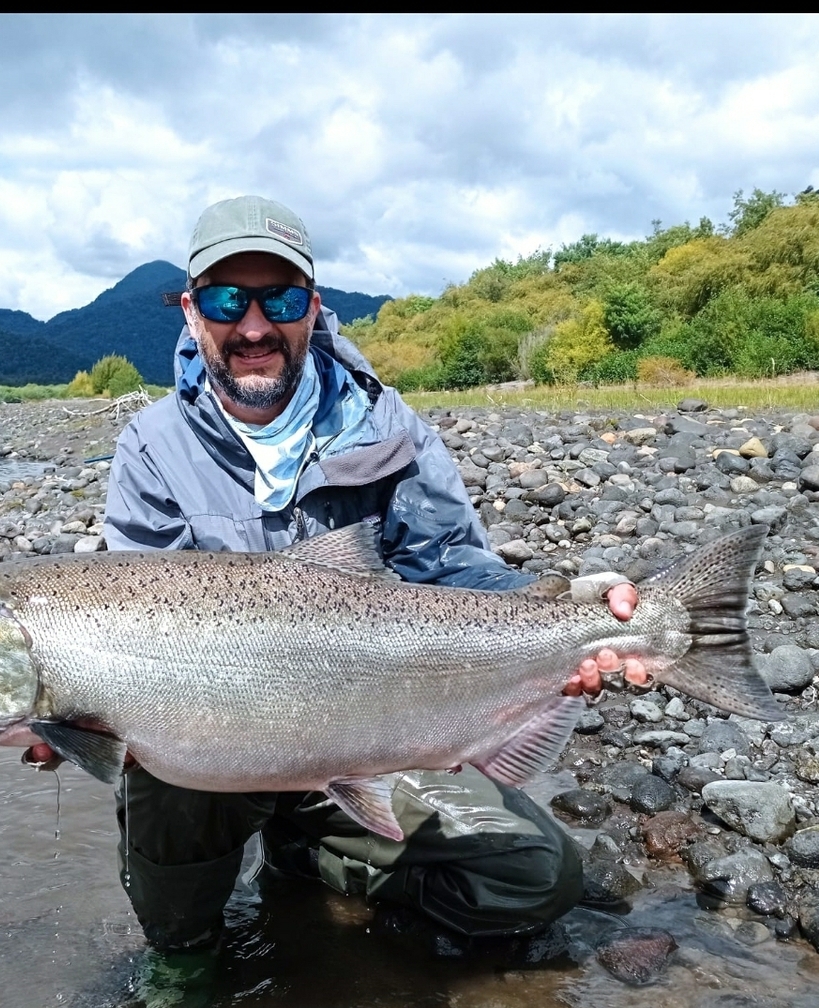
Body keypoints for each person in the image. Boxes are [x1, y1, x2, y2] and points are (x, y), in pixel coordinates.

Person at [101, 196, 640, 967]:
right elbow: (130, 631)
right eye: (227, 300)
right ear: (192, 313)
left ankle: (309, 854)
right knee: (159, 760)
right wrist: (67, 717)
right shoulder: (153, 449)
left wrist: (570, 615)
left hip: (370, 733)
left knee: (536, 879)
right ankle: (185, 957)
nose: (253, 326)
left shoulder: (388, 428)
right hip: (216, 746)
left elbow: (454, 570)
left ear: (311, 309)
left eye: (279, 299)